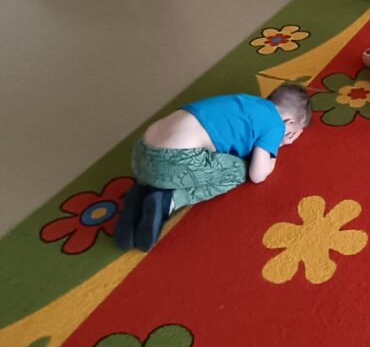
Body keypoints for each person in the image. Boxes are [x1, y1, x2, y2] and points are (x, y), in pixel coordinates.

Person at [114, 84, 311, 252]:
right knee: (240, 168)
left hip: (141, 153)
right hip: (171, 163)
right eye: (292, 132)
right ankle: (169, 200)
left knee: (189, 155)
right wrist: (278, 145)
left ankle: (140, 193)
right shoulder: (276, 125)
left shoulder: (244, 101)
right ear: (289, 122)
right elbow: (258, 175)